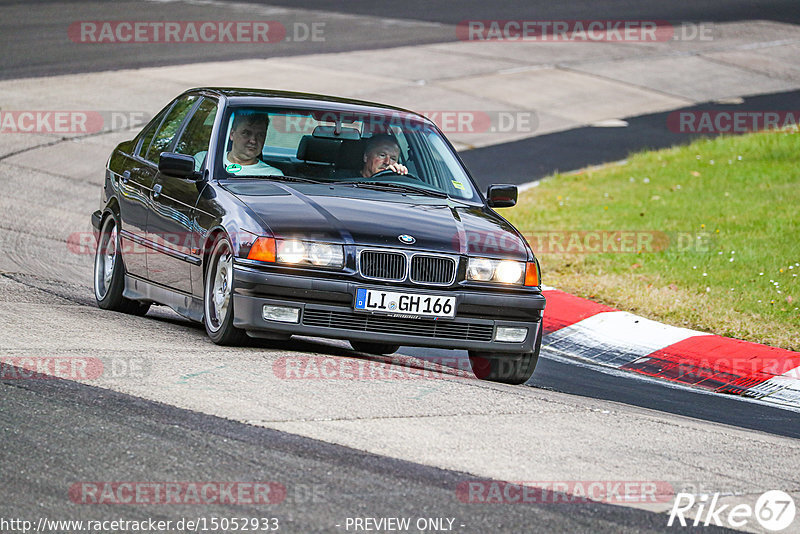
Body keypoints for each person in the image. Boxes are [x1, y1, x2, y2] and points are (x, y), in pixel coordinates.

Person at [194, 111, 283, 176]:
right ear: (232, 134)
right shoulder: (204, 160)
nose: (253, 140)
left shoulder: (273, 176)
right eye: (246, 133)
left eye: (260, 135)